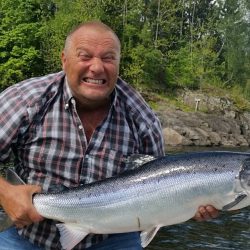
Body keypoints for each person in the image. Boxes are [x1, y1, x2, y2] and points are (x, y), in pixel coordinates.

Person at [0, 21, 219, 250]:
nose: (96, 67)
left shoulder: (142, 119)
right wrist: (6, 192)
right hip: (26, 236)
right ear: (64, 60)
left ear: (118, 63)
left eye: (108, 58)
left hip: (112, 240)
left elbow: (160, 191)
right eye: (85, 56)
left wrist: (190, 202)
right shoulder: (25, 101)